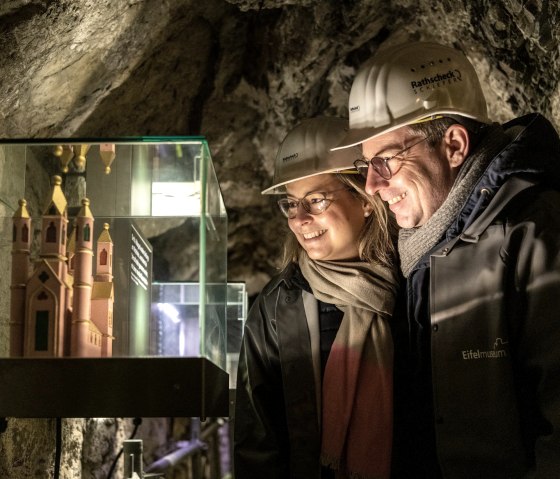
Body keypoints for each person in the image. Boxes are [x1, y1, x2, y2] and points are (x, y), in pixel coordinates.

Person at [333, 41, 560, 477]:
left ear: (454, 146)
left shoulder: (534, 232)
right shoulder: (423, 249)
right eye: (365, 167)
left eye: (385, 161)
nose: (374, 186)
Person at [233, 117, 400, 479]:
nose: (300, 219)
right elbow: (258, 439)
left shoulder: (414, 278)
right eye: (291, 204)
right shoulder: (278, 306)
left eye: (317, 200)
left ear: (366, 199)